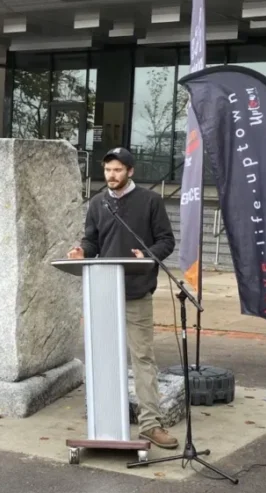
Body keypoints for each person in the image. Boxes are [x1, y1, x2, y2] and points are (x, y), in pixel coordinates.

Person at [67, 147, 178, 450]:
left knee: (142, 358)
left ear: (130, 171)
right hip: (103, 292)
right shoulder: (97, 204)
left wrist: (148, 255)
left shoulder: (150, 201)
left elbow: (166, 240)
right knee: (103, 357)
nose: (111, 176)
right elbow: (92, 240)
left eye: (117, 170)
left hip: (136, 292)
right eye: (107, 171)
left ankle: (151, 425)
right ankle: (103, 423)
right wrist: (82, 252)